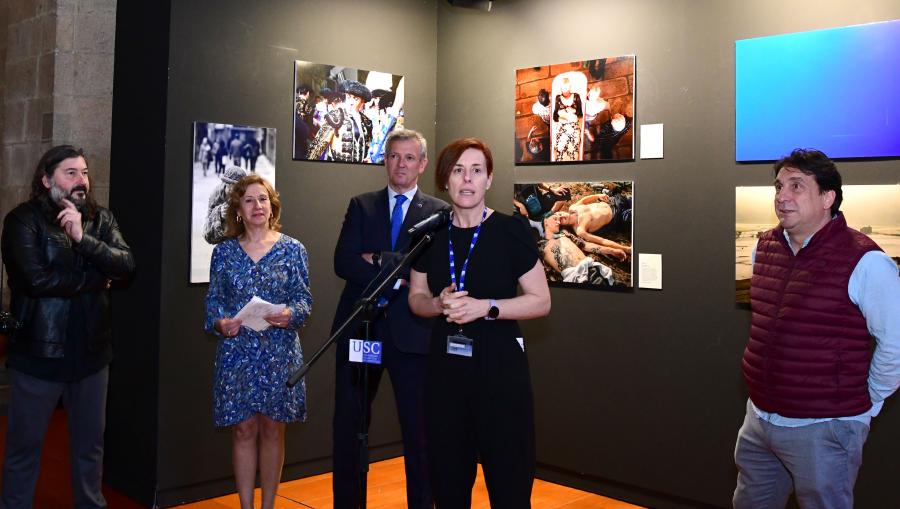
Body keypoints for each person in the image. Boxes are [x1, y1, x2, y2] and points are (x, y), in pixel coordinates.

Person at [733, 149, 900, 509]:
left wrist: (864, 407)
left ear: (828, 198)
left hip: (825, 427)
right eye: (779, 186)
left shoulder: (867, 261)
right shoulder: (764, 248)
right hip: (759, 418)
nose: (782, 197)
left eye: (796, 186)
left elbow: (896, 343)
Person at [408, 137, 551, 507]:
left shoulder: (511, 231)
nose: (467, 180)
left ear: (489, 179)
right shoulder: (430, 234)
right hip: (446, 379)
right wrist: (439, 304)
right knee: (448, 484)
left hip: (500, 375)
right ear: (445, 180)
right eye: (458, 171)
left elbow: (540, 301)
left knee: (508, 485)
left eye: (476, 171)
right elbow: (416, 299)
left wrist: (486, 307)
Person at [0, 145, 135, 509]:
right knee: (24, 449)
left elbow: (125, 265)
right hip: (38, 355)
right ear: (46, 180)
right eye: (70, 172)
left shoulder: (100, 219)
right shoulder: (22, 221)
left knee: (90, 449)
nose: (81, 180)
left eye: (85, 173)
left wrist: (82, 239)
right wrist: (95, 279)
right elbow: (35, 281)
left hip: (92, 356)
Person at [331, 128, 448, 508]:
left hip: (412, 335)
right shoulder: (361, 205)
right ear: (386, 160)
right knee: (350, 430)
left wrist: (378, 258)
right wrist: (403, 270)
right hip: (361, 330)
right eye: (394, 156)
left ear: (423, 164)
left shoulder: (438, 214)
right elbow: (344, 261)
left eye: (409, 158)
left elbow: (436, 273)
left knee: (419, 433)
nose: (401, 164)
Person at [204, 174, 312, 509]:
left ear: (272, 205)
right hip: (237, 352)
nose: (257, 206)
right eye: (249, 200)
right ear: (238, 209)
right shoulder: (223, 253)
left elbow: (304, 303)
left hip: (279, 351)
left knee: (272, 430)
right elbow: (213, 304)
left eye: (263, 199)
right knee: (243, 431)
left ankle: (268, 506)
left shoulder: (293, 250)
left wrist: (289, 314)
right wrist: (221, 322)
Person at [551, 192, 632, 260]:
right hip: (619, 216)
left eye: (560, 214)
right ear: (562, 225)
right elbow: (602, 241)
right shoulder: (580, 229)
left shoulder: (573, 208)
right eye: (560, 220)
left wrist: (598, 195)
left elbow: (584, 200)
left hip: (615, 201)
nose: (561, 216)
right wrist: (626, 249)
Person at [307, 80, 373, 162]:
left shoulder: (366, 121)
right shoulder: (336, 115)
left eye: (356, 99)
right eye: (349, 97)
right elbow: (318, 145)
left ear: (363, 102)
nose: (351, 102)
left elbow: (367, 144)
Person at [538, 215, 616, 284]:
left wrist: (610, 250)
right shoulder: (541, 247)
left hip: (592, 269)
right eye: (555, 219)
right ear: (545, 221)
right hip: (576, 279)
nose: (558, 222)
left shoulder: (565, 234)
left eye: (559, 220)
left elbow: (585, 245)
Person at [204, 164, 248, 245]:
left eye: (237, 189)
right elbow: (207, 234)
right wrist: (219, 213)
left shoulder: (247, 196)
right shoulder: (216, 196)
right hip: (224, 242)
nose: (233, 192)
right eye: (230, 188)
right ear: (224, 186)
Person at [552, 77, 583, 161]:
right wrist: (561, 116)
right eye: (562, 88)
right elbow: (555, 116)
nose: (564, 90)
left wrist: (574, 110)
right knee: (560, 148)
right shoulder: (558, 98)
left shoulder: (576, 97)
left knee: (573, 148)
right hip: (562, 125)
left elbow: (581, 114)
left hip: (573, 125)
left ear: (570, 87)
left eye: (566, 88)